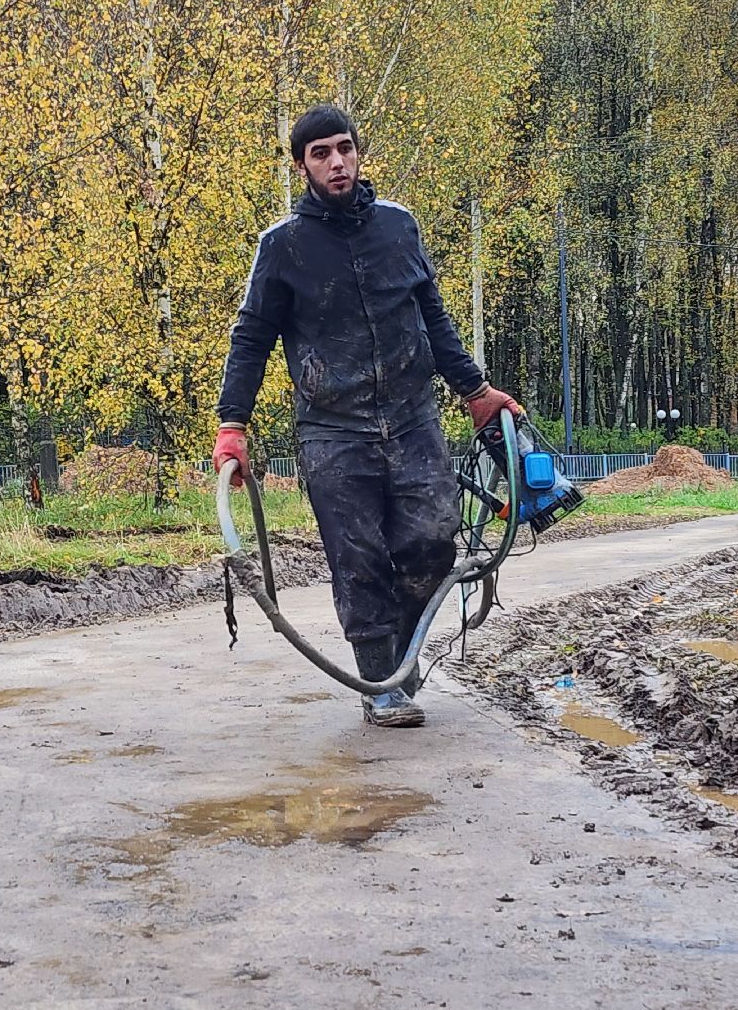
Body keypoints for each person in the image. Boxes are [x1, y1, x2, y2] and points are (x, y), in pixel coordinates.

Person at [213, 104, 520, 728]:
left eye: (344, 149)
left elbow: (433, 317)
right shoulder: (283, 247)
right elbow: (251, 340)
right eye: (321, 153)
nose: (336, 163)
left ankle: (400, 665)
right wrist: (232, 425)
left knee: (432, 545)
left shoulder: (398, 228)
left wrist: (475, 390)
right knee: (359, 560)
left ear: (358, 152)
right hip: (333, 432)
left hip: (413, 421)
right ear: (302, 165)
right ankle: (381, 684)